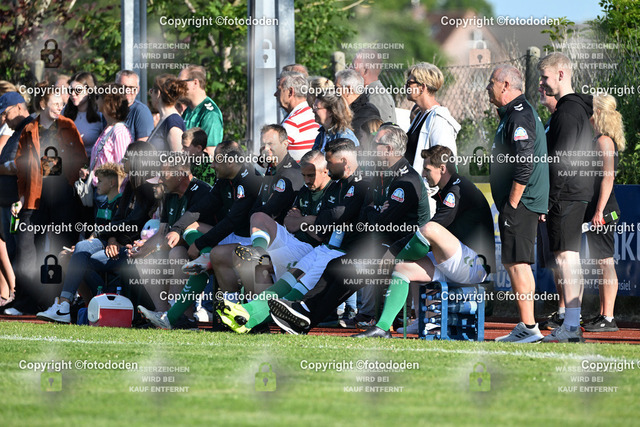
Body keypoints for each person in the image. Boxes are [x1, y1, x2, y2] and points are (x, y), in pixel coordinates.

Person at [216, 139, 372, 333]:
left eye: (330, 162)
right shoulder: (336, 186)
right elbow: (320, 220)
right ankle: (247, 312)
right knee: (288, 280)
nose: (328, 167)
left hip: (341, 252)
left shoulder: (361, 185)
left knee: (297, 289)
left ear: (344, 162)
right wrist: (315, 220)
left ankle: (253, 318)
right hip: (325, 248)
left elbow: (333, 217)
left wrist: (312, 220)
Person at [137, 141, 262, 329]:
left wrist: (201, 243)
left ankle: (175, 315)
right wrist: (177, 229)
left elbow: (232, 221)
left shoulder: (249, 179)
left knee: (199, 258)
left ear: (230, 161)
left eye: (216, 160)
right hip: (232, 236)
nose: (212, 165)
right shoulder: (224, 180)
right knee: (190, 230)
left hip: (255, 240)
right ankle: (174, 313)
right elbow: (201, 208)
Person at [486, 65, 549, 343]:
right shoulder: (513, 113)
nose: (487, 87)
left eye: (491, 82)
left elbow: (525, 161)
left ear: (505, 85)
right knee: (515, 261)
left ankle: (529, 327)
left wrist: (512, 203)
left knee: (517, 263)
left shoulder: (520, 114)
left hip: (521, 202)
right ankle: (528, 325)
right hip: (522, 202)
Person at [11, 86, 87, 314]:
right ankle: (25, 302)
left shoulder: (68, 125)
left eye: (61, 103)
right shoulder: (29, 129)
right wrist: (21, 197)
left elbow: (80, 157)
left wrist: (68, 180)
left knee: (61, 247)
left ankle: (58, 302)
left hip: (62, 196)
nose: (59, 107)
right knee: (26, 248)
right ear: (43, 104)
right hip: (34, 196)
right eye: (55, 103)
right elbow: (21, 167)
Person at [538, 52, 595, 343]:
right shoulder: (572, 110)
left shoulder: (568, 112)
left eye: (545, 77)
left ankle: (571, 326)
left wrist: (548, 200)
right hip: (572, 193)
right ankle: (571, 324)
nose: (541, 83)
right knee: (568, 257)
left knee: (566, 258)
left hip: (566, 194)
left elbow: (561, 161)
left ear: (561, 74)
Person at [36, 162, 127, 323]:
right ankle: (87, 304)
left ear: (112, 182)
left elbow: (117, 232)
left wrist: (89, 245)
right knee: (65, 256)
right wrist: (81, 246)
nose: (96, 184)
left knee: (80, 253)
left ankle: (65, 304)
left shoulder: (121, 203)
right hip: (99, 243)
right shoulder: (103, 204)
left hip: (112, 247)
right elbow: (97, 232)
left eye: (100, 181)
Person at [582, 94, 625, 332]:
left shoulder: (605, 141)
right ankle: (602, 314)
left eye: (591, 109)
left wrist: (599, 211)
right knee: (600, 263)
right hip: (597, 210)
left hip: (605, 211)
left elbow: (608, 178)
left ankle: (608, 317)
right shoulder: (598, 139)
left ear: (598, 113)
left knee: (605, 262)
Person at [0, 92, 33, 308]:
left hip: (19, 204)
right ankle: (17, 297)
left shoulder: (30, 128)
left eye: (6, 113)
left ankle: (23, 301)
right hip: (8, 203)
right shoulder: (16, 131)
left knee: (23, 253)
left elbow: (25, 165)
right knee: (13, 251)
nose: (4, 119)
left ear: (19, 107)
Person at [536, 84, 564, 330]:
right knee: (555, 259)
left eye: (545, 86)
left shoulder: (563, 120)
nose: (540, 90)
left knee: (564, 257)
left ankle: (568, 311)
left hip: (559, 201)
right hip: (546, 199)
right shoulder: (549, 121)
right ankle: (562, 310)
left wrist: (550, 200)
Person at [79, 83, 133, 200]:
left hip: (110, 196)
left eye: (98, 97)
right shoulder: (109, 128)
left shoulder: (119, 132)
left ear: (107, 101)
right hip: (102, 192)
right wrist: (90, 171)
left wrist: (114, 198)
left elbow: (122, 169)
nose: (95, 100)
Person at [404, 62, 460, 173]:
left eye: (409, 83)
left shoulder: (439, 119)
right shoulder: (420, 115)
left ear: (422, 87)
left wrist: (426, 184)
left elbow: (442, 164)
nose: (406, 87)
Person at [178, 65, 224, 154]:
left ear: (195, 83)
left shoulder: (210, 113)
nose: (177, 87)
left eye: (180, 83)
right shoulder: (188, 110)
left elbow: (210, 152)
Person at [276, 72, 320, 161]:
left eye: (279, 90)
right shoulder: (314, 114)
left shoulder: (291, 123)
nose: (275, 94)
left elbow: (273, 158)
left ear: (290, 92)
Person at [63, 72, 105, 156]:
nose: (73, 94)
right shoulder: (64, 112)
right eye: (70, 90)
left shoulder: (100, 114)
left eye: (78, 90)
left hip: (91, 161)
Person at [335, 68, 381, 144]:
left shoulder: (366, 113)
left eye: (336, 88)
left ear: (349, 90)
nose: (334, 92)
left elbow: (352, 143)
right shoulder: (345, 109)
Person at [352, 49, 397, 123]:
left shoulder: (377, 95)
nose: (350, 70)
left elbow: (376, 128)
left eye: (354, 66)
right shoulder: (370, 92)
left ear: (366, 70)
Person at [147, 74, 187, 152]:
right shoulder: (165, 119)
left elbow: (178, 157)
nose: (151, 95)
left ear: (158, 94)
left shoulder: (173, 121)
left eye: (152, 91)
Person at [115, 70, 154, 141]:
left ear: (138, 89)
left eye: (131, 88)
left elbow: (143, 145)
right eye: (123, 87)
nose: (127, 91)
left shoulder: (141, 112)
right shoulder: (108, 109)